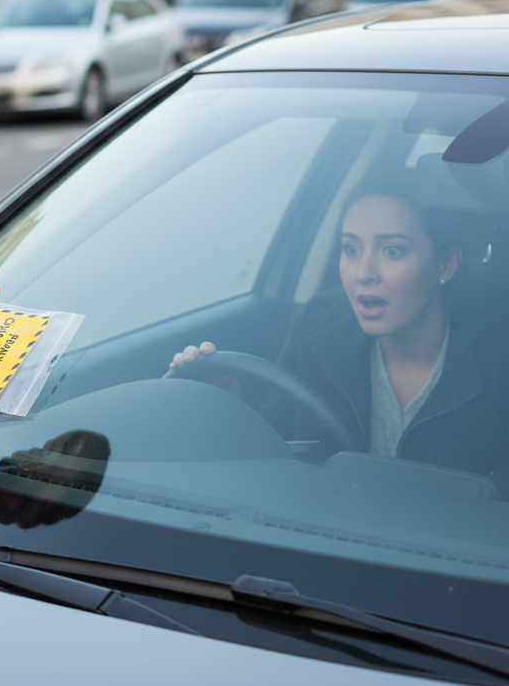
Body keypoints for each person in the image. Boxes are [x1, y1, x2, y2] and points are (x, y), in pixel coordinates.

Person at [171, 182, 509, 491]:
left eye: (392, 251)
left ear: (446, 264)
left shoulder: (498, 356)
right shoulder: (320, 325)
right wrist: (228, 405)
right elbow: (273, 448)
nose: (364, 273)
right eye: (351, 249)